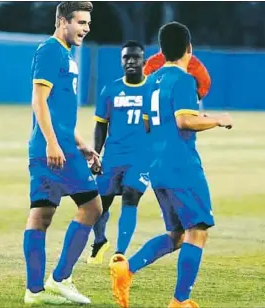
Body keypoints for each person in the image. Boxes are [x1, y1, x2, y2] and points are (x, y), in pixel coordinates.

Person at [109, 21, 233, 308]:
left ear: (162, 51)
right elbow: (184, 120)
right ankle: (180, 301)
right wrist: (218, 120)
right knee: (198, 230)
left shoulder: (150, 82)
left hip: (157, 166)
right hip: (182, 166)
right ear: (189, 49)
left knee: (176, 235)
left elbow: (146, 125)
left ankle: (126, 269)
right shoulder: (184, 80)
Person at [23, 1, 102, 305]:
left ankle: (34, 291)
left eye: (88, 24)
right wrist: (54, 144)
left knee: (42, 214)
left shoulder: (67, 56)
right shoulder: (50, 50)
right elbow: (38, 101)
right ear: (62, 21)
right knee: (92, 207)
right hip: (53, 150)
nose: (85, 29)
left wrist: (82, 145)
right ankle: (59, 279)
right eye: (81, 22)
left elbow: (59, 113)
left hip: (59, 147)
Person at [87, 41, 150, 264]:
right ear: (121, 61)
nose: (131, 61)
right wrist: (95, 154)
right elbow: (101, 125)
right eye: (126, 58)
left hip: (141, 159)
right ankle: (100, 240)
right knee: (97, 206)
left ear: (144, 60)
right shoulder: (110, 90)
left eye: (135, 57)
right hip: (113, 157)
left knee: (131, 197)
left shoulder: (153, 90)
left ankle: (120, 252)